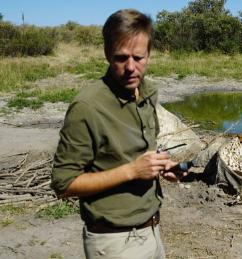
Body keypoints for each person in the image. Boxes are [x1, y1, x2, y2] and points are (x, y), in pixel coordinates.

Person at [51, 9, 185, 259]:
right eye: (121, 58)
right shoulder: (87, 107)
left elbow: (135, 152)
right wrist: (132, 171)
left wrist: (161, 165)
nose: (131, 68)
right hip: (114, 243)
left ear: (149, 54)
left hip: (153, 231)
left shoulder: (147, 94)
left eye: (139, 57)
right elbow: (63, 184)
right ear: (106, 54)